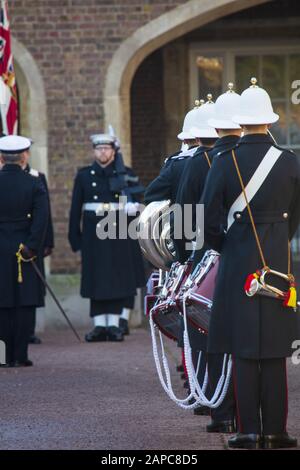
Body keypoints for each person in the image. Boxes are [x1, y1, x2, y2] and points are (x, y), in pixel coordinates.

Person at [201, 78, 300, 449]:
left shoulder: (225, 161)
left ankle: (248, 432)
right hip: (277, 260)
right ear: (270, 122)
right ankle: (276, 431)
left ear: (240, 123)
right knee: (275, 349)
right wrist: (277, 240)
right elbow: (296, 216)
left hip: (237, 261)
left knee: (243, 350)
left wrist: (230, 247)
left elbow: (208, 221)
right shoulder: (289, 161)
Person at [68, 133, 145, 342]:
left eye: (107, 149)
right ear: (94, 151)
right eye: (99, 149)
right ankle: (100, 325)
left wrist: (133, 207)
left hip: (119, 231)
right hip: (93, 233)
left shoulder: (126, 174)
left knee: (119, 277)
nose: (103, 152)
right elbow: (76, 208)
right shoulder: (84, 175)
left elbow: (138, 202)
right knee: (97, 277)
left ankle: (116, 324)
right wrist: (75, 237)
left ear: (113, 151)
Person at [0, 135, 48, 367]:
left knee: (2, 303)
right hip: (24, 250)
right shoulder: (34, 183)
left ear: (1, 157)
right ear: (24, 156)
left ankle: (2, 357)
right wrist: (32, 246)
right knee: (23, 303)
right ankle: (19, 355)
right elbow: (41, 220)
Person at [23, 148, 55, 344]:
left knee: (32, 287)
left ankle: (29, 330)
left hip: (33, 241)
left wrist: (48, 241)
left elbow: (45, 213)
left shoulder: (37, 177)